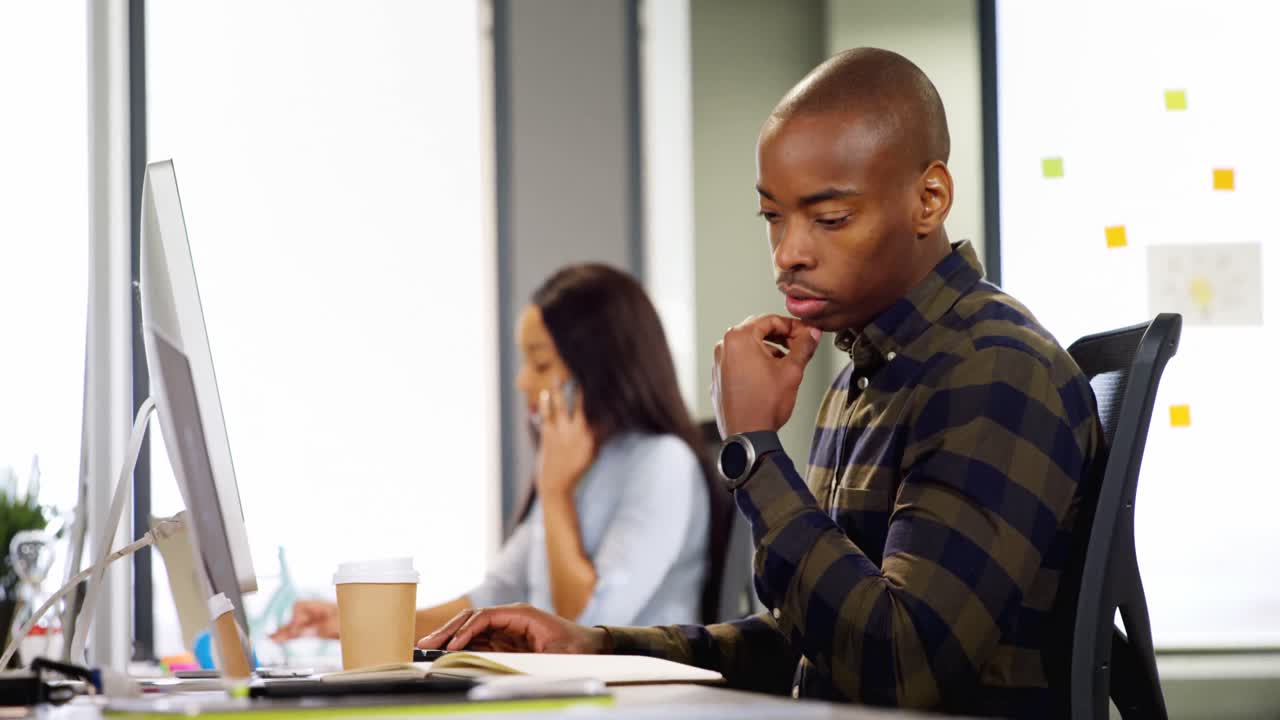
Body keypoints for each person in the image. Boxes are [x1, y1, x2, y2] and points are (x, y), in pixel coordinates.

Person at [418, 48, 1103, 718]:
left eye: (829, 219)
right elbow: (814, 642)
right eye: (773, 217)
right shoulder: (869, 375)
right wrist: (596, 645)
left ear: (929, 199)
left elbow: (899, 666)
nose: (788, 253)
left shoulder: (991, 368)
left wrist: (750, 447)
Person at [273, 264, 713, 642]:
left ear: (598, 369)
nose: (523, 382)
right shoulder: (580, 466)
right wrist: (353, 622)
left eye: (540, 364)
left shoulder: (663, 464)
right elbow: (488, 600)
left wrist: (556, 492)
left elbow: (584, 625)